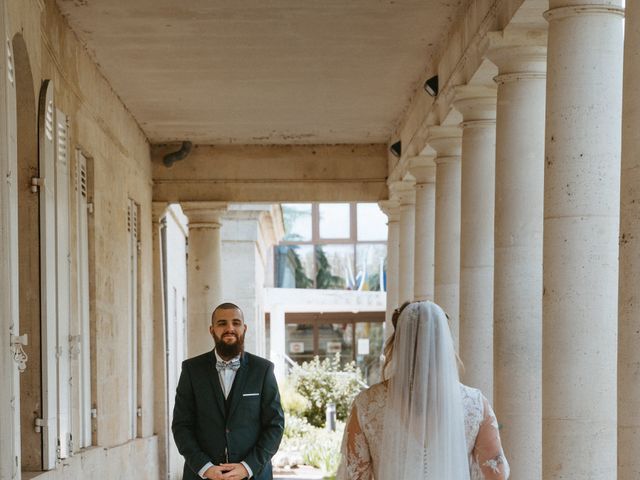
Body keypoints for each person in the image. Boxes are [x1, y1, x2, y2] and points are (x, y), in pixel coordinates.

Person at [336, 301, 509, 480]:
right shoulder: (475, 404)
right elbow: (495, 474)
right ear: (444, 343)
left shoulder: (368, 404)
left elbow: (355, 475)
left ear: (398, 344)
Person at [172, 302, 285, 480]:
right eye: (222, 323)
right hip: (202, 475)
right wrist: (204, 467)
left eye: (236, 323)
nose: (230, 328)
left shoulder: (263, 370)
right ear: (212, 329)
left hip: (253, 475)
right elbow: (181, 425)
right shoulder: (191, 370)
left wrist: (248, 467)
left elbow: (275, 425)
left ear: (244, 328)